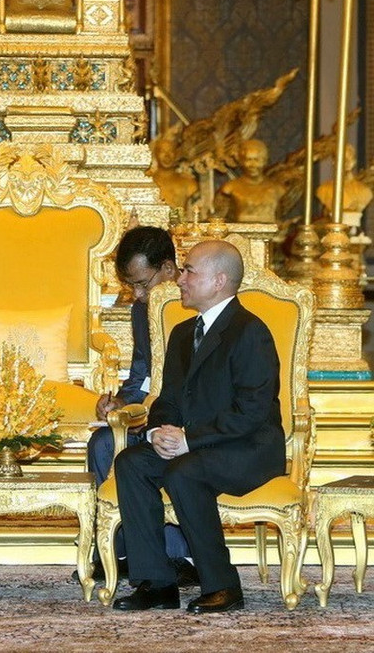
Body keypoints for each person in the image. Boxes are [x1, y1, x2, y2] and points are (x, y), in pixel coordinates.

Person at [112, 240, 285, 613]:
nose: (181, 279)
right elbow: (169, 400)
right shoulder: (182, 333)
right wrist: (159, 431)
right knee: (132, 462)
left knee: (184, 472)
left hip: (248, 447)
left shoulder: (250, 331)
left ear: (219, 280)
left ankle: (223, 585)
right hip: (197, 446)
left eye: (190, 270)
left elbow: (252, 411)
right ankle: (157, 583)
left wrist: (189, 440)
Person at [86, 227, 195, 586]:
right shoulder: (141, 310)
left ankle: (181, 557)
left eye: (143, 283)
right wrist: (120, 401)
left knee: (171, 455)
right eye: (130, 286)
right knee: (103, 445)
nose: (137, 294)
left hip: (187, 422)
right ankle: (124, 553)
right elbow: (141, 375)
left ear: (168, 268)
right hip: (148, 413)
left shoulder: (198, 303)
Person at [215, 139, 286, 223]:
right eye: (248, 160)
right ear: (241, 161)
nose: (252, 165)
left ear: (265, 161)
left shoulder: (278, 189)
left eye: (256, 160)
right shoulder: (229, 188)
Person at [148, 139, 198, 214]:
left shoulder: (188, 182)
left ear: (176, 154)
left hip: (179, 224)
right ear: (155, 154)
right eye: (162, 151)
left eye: (170, 151)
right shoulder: (147, 181)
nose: (167, 156)